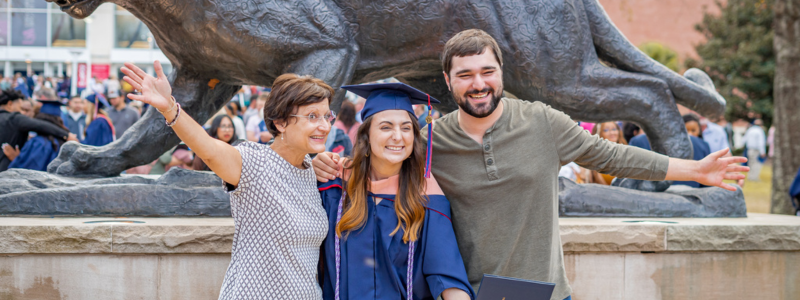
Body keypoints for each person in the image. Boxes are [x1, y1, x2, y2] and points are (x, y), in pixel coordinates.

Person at [314, 29, 748, 300]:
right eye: (465, 75)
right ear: (448, 82)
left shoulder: (543, 122)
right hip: (473, 293)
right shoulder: (430, 142)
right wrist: (330, 167)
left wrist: (693, 171)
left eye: (487, 71)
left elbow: (612, 156)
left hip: (546, 294)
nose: (478, 83)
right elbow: (386, 161)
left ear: (501, 73)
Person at [122, 61, 331, 299]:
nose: (324, 126)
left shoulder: (311, 172)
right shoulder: (254, 162)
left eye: (327, 116)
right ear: (281, 122)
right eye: (313, 116)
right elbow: (208, 149)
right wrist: (169, 108)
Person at [317, 82, 473, 300]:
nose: (398, 136)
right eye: (386, 127)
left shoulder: (427, 198)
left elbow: (447, 275)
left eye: (406, 128)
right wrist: (309, 166)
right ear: (366, 136)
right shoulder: (333, 188)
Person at [0, 89, 77, 172]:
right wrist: (66, 135)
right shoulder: (62, 144)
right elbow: (40, 125)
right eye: (20, 108)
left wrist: (16, 158)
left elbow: (26, 169)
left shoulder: (37, 143)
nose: (21, 113)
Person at [629, 114, 712, 188]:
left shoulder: (638, 141)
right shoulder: (701, 144)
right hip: (692, 198)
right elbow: (706, 183)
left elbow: (631, 178)